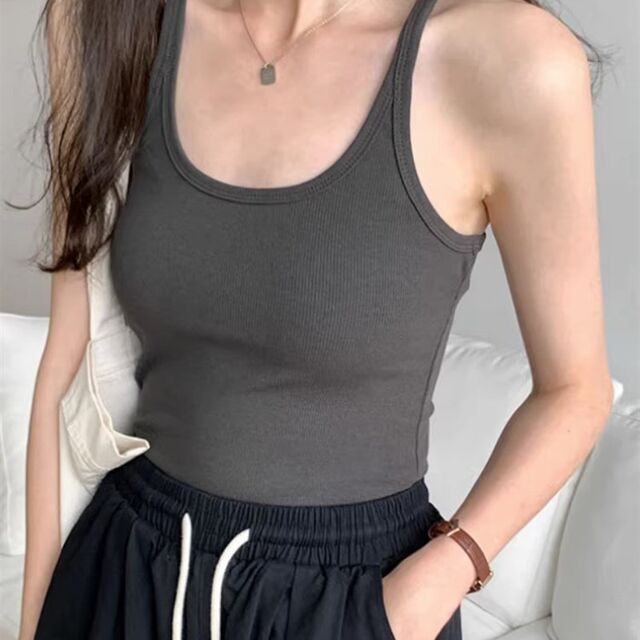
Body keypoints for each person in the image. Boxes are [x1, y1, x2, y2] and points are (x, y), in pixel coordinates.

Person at [19, 0, 613, 639]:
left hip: (354, 601)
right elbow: (65, 369)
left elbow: (574, 391)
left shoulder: (508, 59)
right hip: (125, 571)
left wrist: (440, 576)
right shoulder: (107, 18)